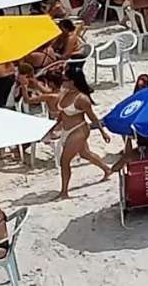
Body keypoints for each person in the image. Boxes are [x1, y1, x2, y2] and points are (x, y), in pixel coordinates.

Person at [51, 72, 112, 200]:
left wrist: (102, 132)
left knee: (64, 161)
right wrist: (55, 126)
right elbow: (62, 114)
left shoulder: (82, 99)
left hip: (79, 130)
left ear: (73, 81)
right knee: (85, 154)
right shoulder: (65, 93)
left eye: (65, 79)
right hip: (67, 129)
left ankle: (64, 192)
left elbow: (92, 117)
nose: (63, 81)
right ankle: (106, 169)